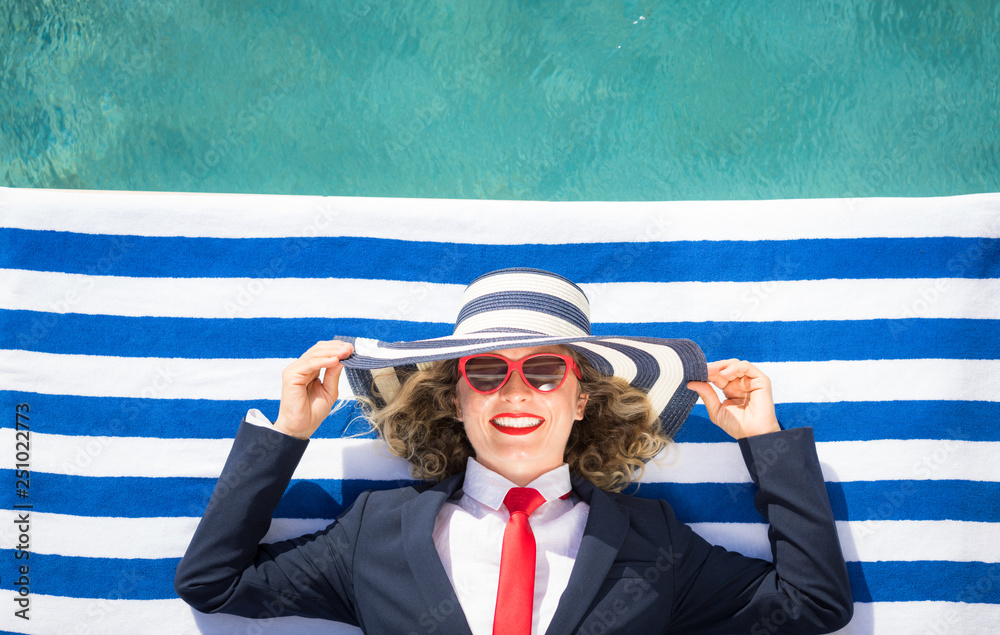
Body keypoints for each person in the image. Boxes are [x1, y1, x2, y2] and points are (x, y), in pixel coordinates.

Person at [175, 268, 853, 634]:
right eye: (489, 372)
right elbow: (213, 582)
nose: (516, 391)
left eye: (546, 370)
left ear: (581, 398)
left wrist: (764, 442)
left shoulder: (652, 543)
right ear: (457, 398)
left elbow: (813, 602)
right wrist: (289, 433)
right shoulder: (374, 534)